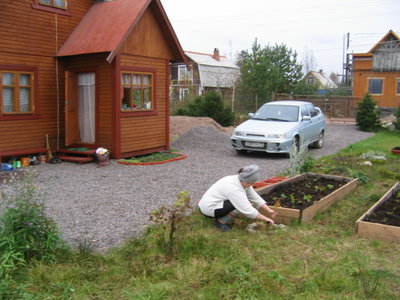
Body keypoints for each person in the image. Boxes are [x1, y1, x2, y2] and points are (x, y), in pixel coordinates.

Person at [198, 164, 277, 231]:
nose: (252, 185)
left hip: (213, 204)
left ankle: (224, 218)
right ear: (246, 181)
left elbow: (254, 197)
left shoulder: (241, 180)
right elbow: (247, 209)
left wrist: (269, 211)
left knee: (241, 202)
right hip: (209, 209)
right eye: (252, 183)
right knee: (239, 205)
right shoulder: (234, 187)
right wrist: (265, 219)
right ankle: (221, 222)